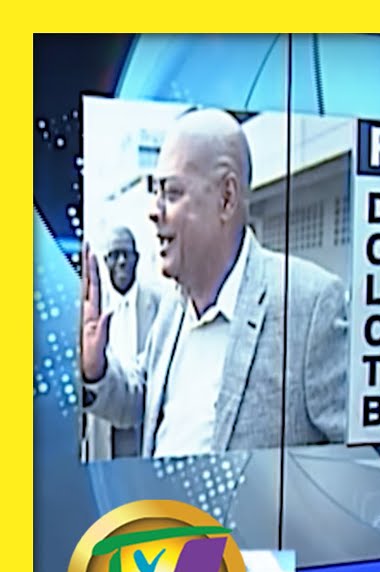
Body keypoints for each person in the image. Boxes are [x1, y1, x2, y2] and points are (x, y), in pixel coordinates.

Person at [81, 108, 348, 457]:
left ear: (226, 198)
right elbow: (143, 399)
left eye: (172, 192)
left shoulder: (310, 305)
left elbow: (364, 465)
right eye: (156, 192)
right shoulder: (172, 308)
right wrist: (96, 369)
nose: (153, 211)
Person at [81, 226, 161, 460]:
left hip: (143, 429)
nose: (122, 261)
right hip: (104, 430)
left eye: (127, 254)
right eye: (115, 255)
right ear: (105, 262)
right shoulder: (93, 312)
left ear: (138, 259)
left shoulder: (159, 305)